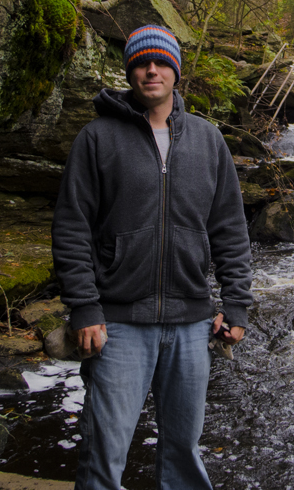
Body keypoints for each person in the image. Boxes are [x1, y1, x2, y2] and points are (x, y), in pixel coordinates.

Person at [52, 24, 253, 490]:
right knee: (104, 453)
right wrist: (84, 307)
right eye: (142, 63)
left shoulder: (207, 140)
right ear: (130, 72)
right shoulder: (97, 138)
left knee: (183, 452)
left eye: (162, 62)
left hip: (191, 324)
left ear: (176, 71)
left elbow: (230, 229)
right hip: (118, 325)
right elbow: (71, 227)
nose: (152, 71)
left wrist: (237, 305)